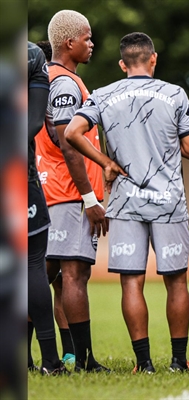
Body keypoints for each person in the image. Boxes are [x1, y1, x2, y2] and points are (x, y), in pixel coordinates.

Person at [65, 32, 189, 373]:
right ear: (153, 59)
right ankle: (177, 362)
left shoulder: (103, 95)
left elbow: (71, 132)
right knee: (177, 281)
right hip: (168, 200)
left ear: (123, 64)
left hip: (125, 203)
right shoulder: (174, 94)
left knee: (131, 282)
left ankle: (144, 363)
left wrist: (106, 163)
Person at [35, 10, 109, 373]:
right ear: (69, 42)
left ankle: (51, 358)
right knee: (73, 274)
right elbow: (68, 144)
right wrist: (90, 198)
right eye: (87, 37)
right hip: (67, 194)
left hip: (52, 191)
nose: (92, 44)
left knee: (43, 275)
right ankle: (83, 360)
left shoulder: (45, 78)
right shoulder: (65, 83)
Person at [28, 41, 68, 375]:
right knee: (33, 266)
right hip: (23, 178)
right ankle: (52, 361)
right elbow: (35, 126)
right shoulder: (32, 55)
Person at [35, 39, 75, 366]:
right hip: (55, 194)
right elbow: (64, 142)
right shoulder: (47, 101)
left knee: (58, 280)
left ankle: (68, 354)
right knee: (43, 278)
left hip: (40, 192)